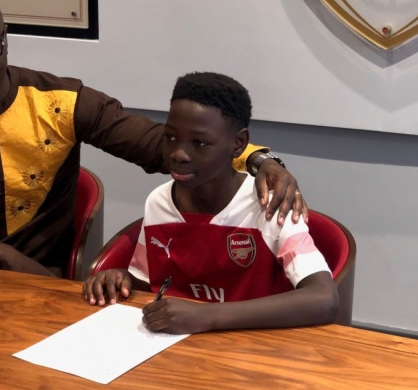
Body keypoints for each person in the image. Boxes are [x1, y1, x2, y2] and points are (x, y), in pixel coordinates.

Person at [0, 0, 306, 276]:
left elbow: (161, 147)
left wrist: (257, 158)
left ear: (6, 40)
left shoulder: (62, 102)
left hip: (41, 283)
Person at [83, 72, 338, 333]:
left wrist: (207, 316)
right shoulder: (159, 201)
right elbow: (145, 284)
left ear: (238, 144)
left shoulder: (269, 206)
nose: (179, 153)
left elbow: (324, 299)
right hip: (178, 349)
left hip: (254, 348)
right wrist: (120, 279)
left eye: (200, 143)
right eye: (170, 137)